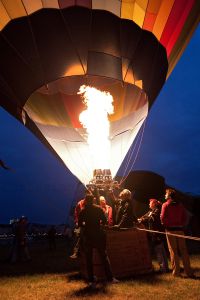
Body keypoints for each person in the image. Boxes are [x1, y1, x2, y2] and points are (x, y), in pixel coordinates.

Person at [78, 194, 119, 287]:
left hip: (88, 236)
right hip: (99, 235)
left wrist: (86, 225)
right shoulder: (98, 209)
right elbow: (104, 221)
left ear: (85, 200)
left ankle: (91, 280)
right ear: (93, 200)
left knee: (89, 259)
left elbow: (80, 224)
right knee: (104, 256)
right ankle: (110, 278)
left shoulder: (83, 211)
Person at [160, 188, 195, 278]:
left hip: (171, 231)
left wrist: (166, 224)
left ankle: (176, 272)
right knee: (183, 250)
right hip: (180, 230)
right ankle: (189, 271)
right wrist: (182, 224)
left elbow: (163, 218)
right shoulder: (180, 205)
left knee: (173, 251)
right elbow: (185, 216)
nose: (164, 195)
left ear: (169, 196)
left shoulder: (165, 205)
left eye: (166, 194)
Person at [138, 199, 169, 272]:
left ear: (154, 204)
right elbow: (144, 216)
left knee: (159, 250)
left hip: (157, 233)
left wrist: (141, 220)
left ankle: (163, 268)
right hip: (154, 233)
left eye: (150, 203)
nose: (149, 204)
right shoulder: (151, 211)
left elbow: (150, 217)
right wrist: (140, 219)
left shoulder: (157, 211)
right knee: (160, 249)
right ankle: (165, 267)